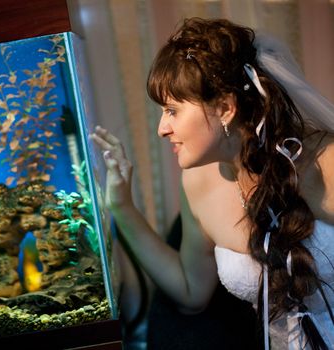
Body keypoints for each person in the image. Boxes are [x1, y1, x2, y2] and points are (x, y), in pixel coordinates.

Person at [90, 17, 334, 349]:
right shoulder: (197, 183)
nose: (162, 128)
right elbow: (191, 292)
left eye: (172, 110)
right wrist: (121, 206)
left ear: (224, 108)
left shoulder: (324, 161)